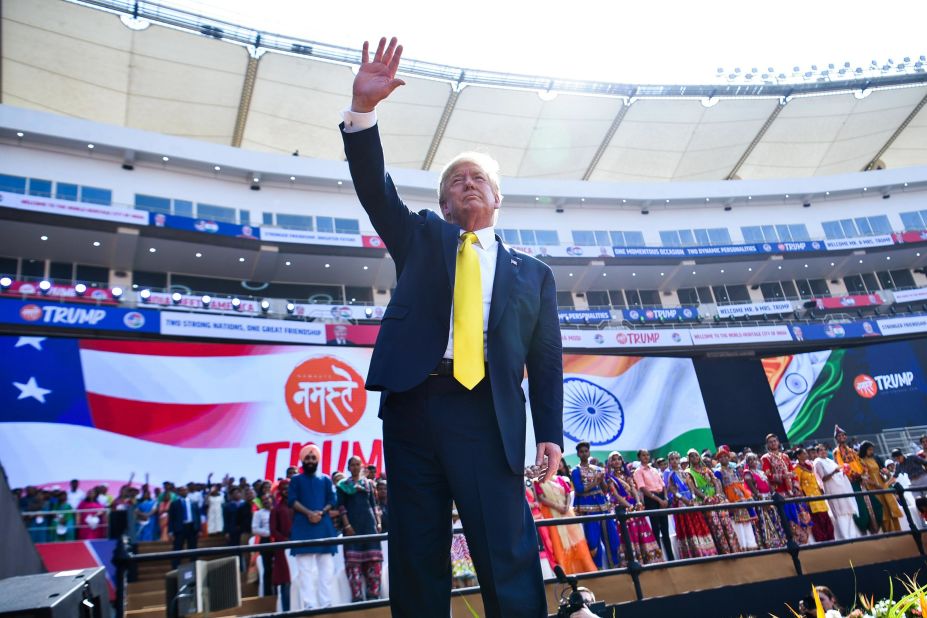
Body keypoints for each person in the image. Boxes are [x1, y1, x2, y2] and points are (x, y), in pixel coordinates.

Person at [341, 36, 563, 618]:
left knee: (505, 549)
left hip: (486, 411)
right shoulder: (420, 237)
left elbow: (545, 362)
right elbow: (374, 190)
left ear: (496, 198)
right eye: (455, 181)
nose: (466, 184)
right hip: (413, 405)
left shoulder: (533, 274)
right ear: (442, 204)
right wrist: (363, 112)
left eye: (477, 179)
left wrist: (550, 434)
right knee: (416, 552)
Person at [288, 444, 338, 610]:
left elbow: (332, 500)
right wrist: (309, 513)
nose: (310, 460)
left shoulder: (325, 479)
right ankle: (309, 605)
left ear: (318, 460)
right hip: (303, 527)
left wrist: (320, 512)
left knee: (327, 569)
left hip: (323, 526)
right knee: (305, 571)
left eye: (313, 457)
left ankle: (326, 603)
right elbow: (292, 501)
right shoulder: (295, 480)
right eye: (307, 458)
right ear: (302, 460)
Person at [534, 461, 597, 574]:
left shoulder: (560, 479)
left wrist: (566, 506)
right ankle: (566, 572)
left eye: (546, 464)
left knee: (577, 541)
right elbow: (540, 497)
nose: (545, 466)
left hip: (566, 513)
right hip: (552, 514)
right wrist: (558, 506)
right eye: (542, 465)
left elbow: (568, 493)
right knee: (558, 542)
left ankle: (585, 570)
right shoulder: (537, 481)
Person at [336, 456, 383, 603]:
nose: (355, 467)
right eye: (352, 465)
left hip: (369, 526)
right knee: (353, 565)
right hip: (352, 528)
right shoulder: (342, 485)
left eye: (358, 464)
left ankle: (373, 596)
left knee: (374, 562)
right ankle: (357, 597)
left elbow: (374, 505)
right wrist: (347, 526)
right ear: (348, 468)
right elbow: (341, 507)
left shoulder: (368, 484)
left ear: (361, 466)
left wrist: (378, 523)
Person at [605, 452, 664, 565]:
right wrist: (629, 506)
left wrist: (638, 502)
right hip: (622, 508)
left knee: (641, 531)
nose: (617, 461)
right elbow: (616, 495)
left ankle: (648, 558)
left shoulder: (627, 475)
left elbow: (633, 489)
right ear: (610, 463)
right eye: (614, 459)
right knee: (629, 534)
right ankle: (634, 561)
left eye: (619, 459)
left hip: (634, 506)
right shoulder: (609, 478)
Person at [572, 442, 620, 568]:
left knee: (612, 537)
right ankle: (597, 568)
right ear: (578, 454)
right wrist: (595, 482)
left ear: (589, 452)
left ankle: (614, 565)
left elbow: (604, 489)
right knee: (593, 541)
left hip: (603, 507)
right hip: (588, 510)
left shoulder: (598, 469)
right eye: (581, 451)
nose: (584, 453)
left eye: (586, 451)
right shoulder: (576, 471)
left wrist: (605, 481)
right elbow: (579, 489)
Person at [685, 449, 741, 554]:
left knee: (726, 523)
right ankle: (725, 551)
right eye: (692, 456)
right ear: (689, 459)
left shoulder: (706, 469)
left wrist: (718, 494)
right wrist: (706, 497)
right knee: (716, 526)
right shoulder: (688, 472)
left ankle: (735, 549)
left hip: (716, 499)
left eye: (696, 456)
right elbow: (693, 488)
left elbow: (716, 481)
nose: (695, 458)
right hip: (705, 502)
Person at [663, 451, 717, 559]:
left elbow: (691, 486)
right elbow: (673, 490)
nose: (675, 461)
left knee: (698, 522)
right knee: (686, 524)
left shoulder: (684, 473)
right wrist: (683, 499)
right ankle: (693, 551)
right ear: (669, 461)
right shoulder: (670, 475)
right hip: (681, 502)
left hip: (691, 501)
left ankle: (705, 549)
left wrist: (692, 497)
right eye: (672, 459)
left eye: (677, 459)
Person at [762, 433, 812, 544]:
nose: (773, 443)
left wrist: (795, 486)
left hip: (791, 491)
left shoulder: (785, 456)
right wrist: (781, 476)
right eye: (770, 442)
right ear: (767, 445)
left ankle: (804, 540)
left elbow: (793, 472)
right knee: (787, 517)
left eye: (775, 441)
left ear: (778, 442)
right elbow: (767, 475)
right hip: (780, 492)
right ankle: (792, 541)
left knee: (802, 514)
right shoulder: (766, 458)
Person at [833, 426, 878, 534]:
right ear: (836, 438)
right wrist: (858, 476)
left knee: (873, 504)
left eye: (843, 435)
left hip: (863, 480)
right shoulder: (837, 452)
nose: (842, 437)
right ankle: (863, 530)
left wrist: (865, 473)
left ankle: (873, 528)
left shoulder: (851, 450)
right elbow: (842, 466)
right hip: (852, 482)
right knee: (860, 506)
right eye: (839, 436)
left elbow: (861, 462)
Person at [713, 446, 758, 551]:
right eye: (721, 457)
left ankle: (751, 545)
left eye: (726, 456)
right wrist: (725, 500)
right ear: (718, 460)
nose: (724, 458)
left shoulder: (734, 470)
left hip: (741, 497)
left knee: (746, 521)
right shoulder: (717, 472)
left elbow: (739, 484)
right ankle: (741, 546)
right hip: (731, 500)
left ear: (729, 458)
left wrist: (746, 496)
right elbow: (720, 488)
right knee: (736, 522)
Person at [633, 449, 674, 560]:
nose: (646, 457)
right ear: (639, 458)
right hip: (651, 499)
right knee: (655, 530)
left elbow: (663, 485)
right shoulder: (638, 471)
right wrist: (659, 500)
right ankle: (660, 559)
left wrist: (664, 498)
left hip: (661, 497)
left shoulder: (654, 470)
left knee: (665, 530)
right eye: (643, 455)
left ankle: (671, 558)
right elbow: (642, 488)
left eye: (647, 455)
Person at [811, 444, 859, 540]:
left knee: (848, 511)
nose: (823, 451)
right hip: (833, 491)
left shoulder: (829, 460)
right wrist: (834, 471)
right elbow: (823, 478)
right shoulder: (818, 462)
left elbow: (838, 471)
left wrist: (843, 471)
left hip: (842, 489)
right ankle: (846, 537)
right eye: (820, 450)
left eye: (824, 449)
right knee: (840, 514)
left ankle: (853, 536)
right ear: (817, 453)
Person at [741, 453, 787, 549]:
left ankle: (781, 540)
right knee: (765, 520)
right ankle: (770, 543)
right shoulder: (747, 473)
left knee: (775, 518)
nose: (753, 461)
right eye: (750, 460)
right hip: (760, 499)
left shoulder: (760, 471)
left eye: (754, 459)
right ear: (747, 462)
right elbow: (751, 487)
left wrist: (774, 494)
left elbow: (768, 485)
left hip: (769, 498)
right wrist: (760, 498)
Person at [858, 441, 902, 532]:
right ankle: (889, 534)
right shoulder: (861, 461)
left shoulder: (874, 459)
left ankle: (898, 531)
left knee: (890, 508)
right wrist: (876, 485)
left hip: (883, 485)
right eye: (869, 450)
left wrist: (886, 474)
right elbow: (864, 478)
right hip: (874, 489)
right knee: (883, 512)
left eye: (872, 449)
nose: (871, 451)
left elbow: (881, 472)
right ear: (864, 450)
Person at [793, 447, 834, 542]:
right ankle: (821, 539)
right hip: (809, 496)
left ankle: (830, 537)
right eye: (803, 454)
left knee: (825, 515)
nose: (806, 455)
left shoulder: (809, 465)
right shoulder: (796, 468)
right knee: (816, 518)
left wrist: (820, 488)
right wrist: (803, 497)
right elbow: (797, 484)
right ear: (798, 456)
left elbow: (815, 478)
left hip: (817, 493)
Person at [270, 480, 294, 612]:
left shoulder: (297, 506)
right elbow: (273, 530)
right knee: (286, 581)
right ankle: (287, 611)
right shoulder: (276, 509)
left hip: (297, 546)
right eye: (284, 488)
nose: (286, 490)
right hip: (283, 548)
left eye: (288, 488)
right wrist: (284, 539)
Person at [168, 485, 201, 568]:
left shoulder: (193, 502)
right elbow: (171, 518)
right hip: (180, 528)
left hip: (192, 528)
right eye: (181, 490)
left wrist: (199, 529)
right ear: (179, 492)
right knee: (177, 548)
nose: (184, 492)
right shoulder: (174, 504)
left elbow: (197, 517)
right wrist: (170, 531)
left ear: (188, 491)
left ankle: (194, 567)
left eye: (185, 490)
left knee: (193, 548)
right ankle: (175, 568)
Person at [252, 495, 274, 596]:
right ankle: (267, 594)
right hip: (266, 541)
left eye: (267, 499)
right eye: (263, 500)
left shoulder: (276, 511)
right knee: (267, 569)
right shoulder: (258, 513)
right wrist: (269, 533)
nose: (265, 501)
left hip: (278, 540)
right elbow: (255, 529)